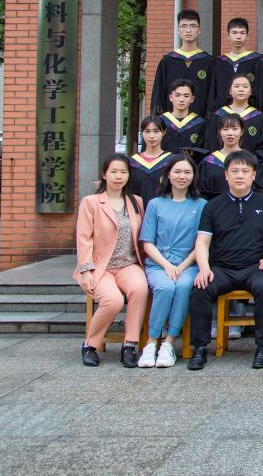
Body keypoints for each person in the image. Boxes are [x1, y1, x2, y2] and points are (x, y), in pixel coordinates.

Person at [187, 150, 263, 370]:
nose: (240, 175)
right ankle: (199, 348)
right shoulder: (212, 205)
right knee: (201, 287)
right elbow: (202, 242)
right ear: (226, 175)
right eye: (234, 171)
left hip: (256, 267)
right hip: (222, 268)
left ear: (253, 175)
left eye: (245, 171)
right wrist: (204, 268)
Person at [74, 154, 149, 368]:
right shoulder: (91, 202)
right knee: (113, 300)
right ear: (104, 174)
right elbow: (83, 238)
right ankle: (90, 345)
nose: (118, 176)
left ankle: (130, 345)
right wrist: (86, 270)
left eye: (123, 172)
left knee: (140, 289)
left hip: (128, 264)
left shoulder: (136, 202)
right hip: (100, 267)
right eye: (114, 171)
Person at [136, 154, 207, 368]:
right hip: (159, 264)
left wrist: (181, 266)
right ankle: (151, 342)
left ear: (193, 176)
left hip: (189, 264)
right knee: (165, 288)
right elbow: (147, 242)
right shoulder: (155, 204)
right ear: (168, 174)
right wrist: (167, 266)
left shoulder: (201, 205)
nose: (182, 176)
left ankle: (169, 342)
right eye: (177, 171)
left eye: (187, 172)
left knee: (184, 286)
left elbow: (201, 242)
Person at [150, 9, 213, 116]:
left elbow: (212, 96)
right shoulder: (167, 62)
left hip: (201, 122)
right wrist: (157, 121)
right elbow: (158, 95)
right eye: (184, 26)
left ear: (199, 30)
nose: (188, 30)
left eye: (193, 26)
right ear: (178, 30)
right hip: (170, 123)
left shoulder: (209, 62)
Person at [205, 75, 263, 160]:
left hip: (248, 165)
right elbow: (211, 144)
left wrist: (247, 163)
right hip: (221, 164)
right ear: (230, 91)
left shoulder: (260, 118)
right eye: (236, 86)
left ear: (251, 91)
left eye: (245, 86)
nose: (241, 89)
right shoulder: (217, 116)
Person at [208, 17, 263, 114]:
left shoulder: (258, 61)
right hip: (223, 114)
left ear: (247, 36)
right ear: (228, 36)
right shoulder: (219, 62)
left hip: (249, 114)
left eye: (242, 33)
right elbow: (213, 92)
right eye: (234, 33)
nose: (238, 37)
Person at [127, 115, 174, 204]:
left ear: (164, 132)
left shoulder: (172, 161)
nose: (151, 136)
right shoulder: (132, 162)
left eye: (156, 131)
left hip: (165, 209)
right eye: (147, 131)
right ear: (142, 133)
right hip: (137, 209)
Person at [198, 113, 245, 199]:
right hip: (215, 205)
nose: (230, 133)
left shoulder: (249, 161)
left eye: (235, 129)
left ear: (242, 131)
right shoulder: (208, 162)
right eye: (225, 129)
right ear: (219, 132)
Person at [159, 79, 207, 156]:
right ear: (170, 97)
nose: (181, 100)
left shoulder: (200, 124)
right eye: (177, 95)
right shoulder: (160, 122)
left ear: (192, 99)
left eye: (186, 96)